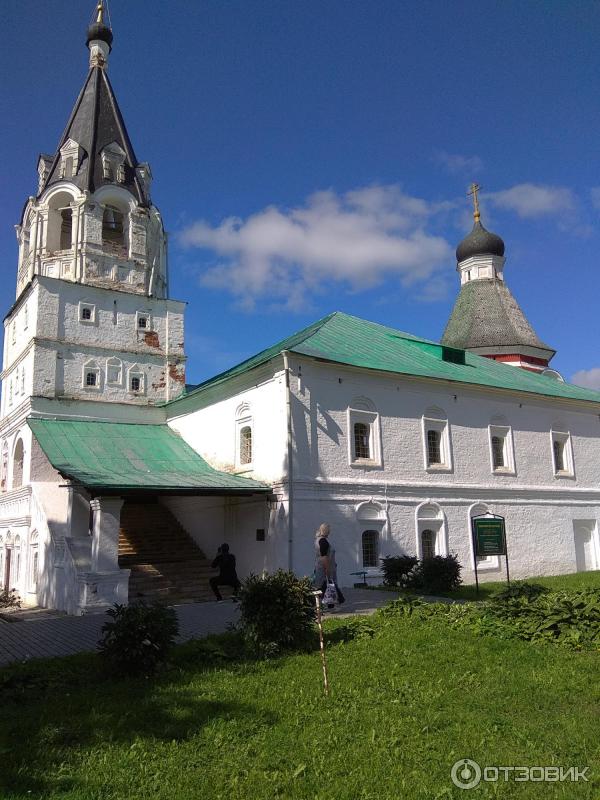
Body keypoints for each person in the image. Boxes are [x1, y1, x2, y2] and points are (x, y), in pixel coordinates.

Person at [313, 523, 345, 608]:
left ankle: (329, 604)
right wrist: (327, 569)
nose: (330, 532)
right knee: (327, 585)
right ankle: (329, 604)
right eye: (329, 530)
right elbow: (324, 557)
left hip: (320, 566)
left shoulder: (318, 540)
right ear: (326, 531)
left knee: (325, 586)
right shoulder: (323, 541)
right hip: (324, 567)